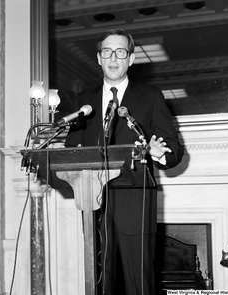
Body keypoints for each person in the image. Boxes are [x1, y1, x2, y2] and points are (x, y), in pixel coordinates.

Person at [65, 28, 184, 295]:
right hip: (94, 200)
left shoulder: (150, 96)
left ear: (130, 59)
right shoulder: (84, 100)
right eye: (107, 51)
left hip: (135, 199)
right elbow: (72, 147)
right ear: (98, 58)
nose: (113, 58)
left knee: (139, 280)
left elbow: (175, 149)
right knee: (99, 280)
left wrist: (158, 152)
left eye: (121, 51)